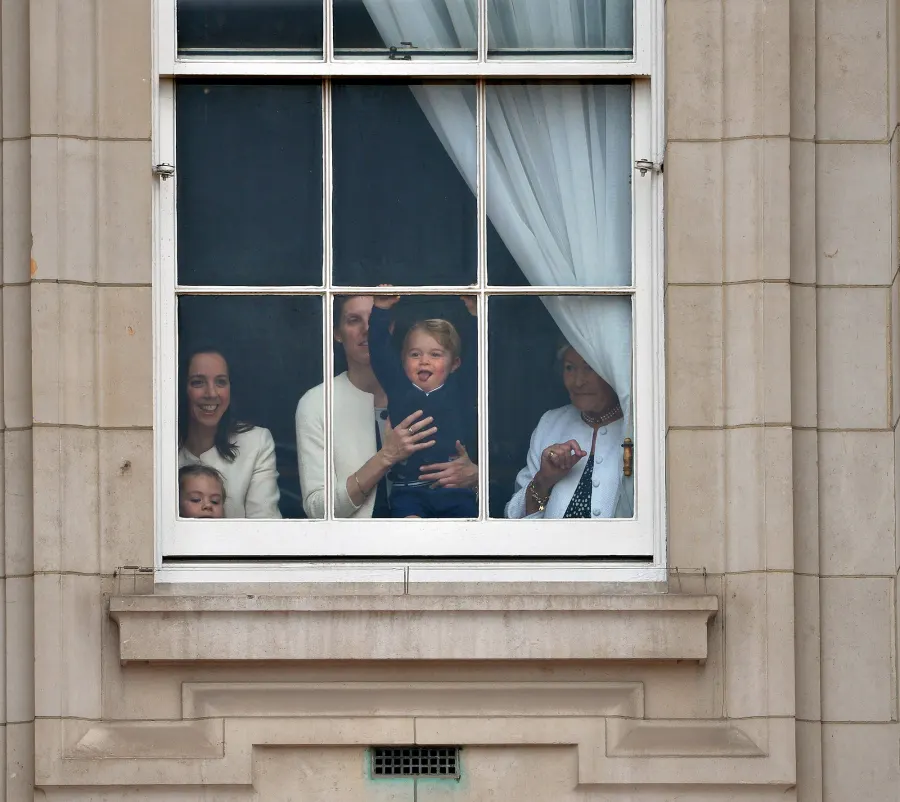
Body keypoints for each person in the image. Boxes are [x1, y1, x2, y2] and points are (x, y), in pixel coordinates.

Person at [295, 295, 478, 519]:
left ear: (389, 327)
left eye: (373, 320)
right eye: (354, 320)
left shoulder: (447, 392)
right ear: (337, 332)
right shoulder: (317, 403)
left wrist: (476, 477)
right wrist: (386, 457)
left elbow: (477, 364)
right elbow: (317, 510)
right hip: (358, 546)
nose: (366, 330)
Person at [368, 290, 478, 518]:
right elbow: (379, 350)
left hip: (454, 492)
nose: (424, 361)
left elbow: (480, 354)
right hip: (409, 494)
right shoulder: (398, 387)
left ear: (455, 363)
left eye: (435, 355)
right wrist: (380, 311)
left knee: (466, 541)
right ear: (402, 360)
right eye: (415, 354)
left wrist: (476, 315)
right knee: (411, 535)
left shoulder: (461, 389)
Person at [505, 343, 633, 519]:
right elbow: (513, 518)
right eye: (570, 368)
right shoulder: (551, 423)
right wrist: (543, 480)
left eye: (590, 368)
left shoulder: (637, 426)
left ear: (613, 371)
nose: (578, 382)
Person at [178, 346, 282, 518]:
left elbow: (264, 526)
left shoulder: (255, 442)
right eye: (198, 382)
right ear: (181, 388)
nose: (211, 393)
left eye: (220, 382)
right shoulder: (160, 444)